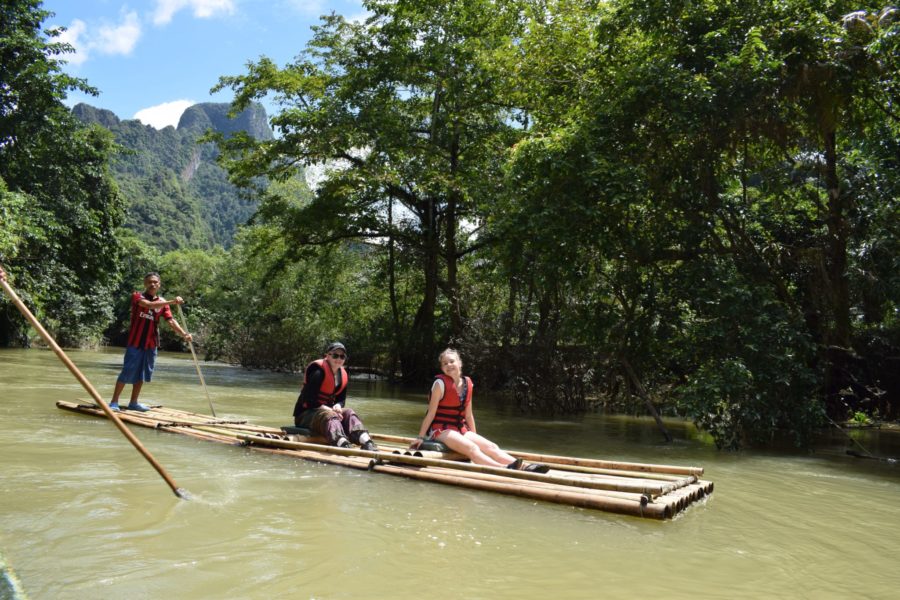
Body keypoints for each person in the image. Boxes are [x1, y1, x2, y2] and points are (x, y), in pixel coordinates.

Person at [409, 348, 549, 473]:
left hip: (460, 429)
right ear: (442, 368)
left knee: (491, 446)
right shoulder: (439, 384)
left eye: (451, 361)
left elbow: (468, 415)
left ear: (459, 363)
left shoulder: (468, 384)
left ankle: (525, 467)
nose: (448, 365)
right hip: (440, 430)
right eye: (444, 364)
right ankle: (503, 469)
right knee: (472, 448)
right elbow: (431, 413)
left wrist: (473, 436)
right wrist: (420, 437)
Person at [110, 272, 192, 412]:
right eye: (149, 282)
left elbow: (171, 321)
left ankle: (133, 402)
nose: (152, 284)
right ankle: (114, 402)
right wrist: (173, 301)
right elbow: (148, 305)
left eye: (155, 282)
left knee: (142, 373)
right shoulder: (137, 296)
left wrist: (184, 334)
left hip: (151, 344)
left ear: (159, 284)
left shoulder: (163, 302)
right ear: (145, 284)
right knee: (127, 371)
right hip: (135, 342)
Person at [292, 342, 378, 451]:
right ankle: (341, 442)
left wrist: (337, 405)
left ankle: (365, 440)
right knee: (331, 415)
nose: (339, 359)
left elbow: (341, 399)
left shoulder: (343, 375)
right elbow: (308, 400)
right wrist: (330, 410)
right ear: (327, 356)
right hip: (305, 416)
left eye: (342, 356)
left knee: (349, 412)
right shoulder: (318, 372)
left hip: (327, 414)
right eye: (335, 355)